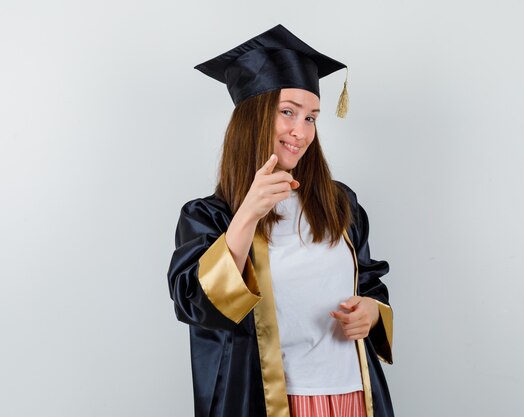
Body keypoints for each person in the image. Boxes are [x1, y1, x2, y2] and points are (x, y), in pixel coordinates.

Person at [167, 24, 394, 417]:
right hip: (270, 400)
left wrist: (371, 312)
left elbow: (369, 283)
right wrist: (247, 215)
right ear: (253, 118)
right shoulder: (208, 217)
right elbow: (199, 306)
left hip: (353, 395)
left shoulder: (341, 204)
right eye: (287, 112)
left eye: (311, 118)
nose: (300, 131)